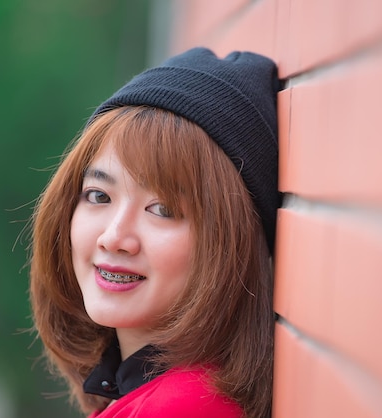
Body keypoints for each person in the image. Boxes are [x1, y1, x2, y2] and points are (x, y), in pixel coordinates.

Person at [28, 47, 280, 418]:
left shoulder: (182, 407)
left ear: (231, 243)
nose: (114, 237)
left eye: (163, 210)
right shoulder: (141, 396)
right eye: (99, 195)